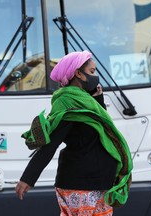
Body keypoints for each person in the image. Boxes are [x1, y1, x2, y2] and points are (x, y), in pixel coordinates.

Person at [15, 50, 133, 216]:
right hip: (80, 185)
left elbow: (101, 133)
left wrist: (98, 99)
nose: (96, 76)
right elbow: (50, 144)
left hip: (99, 184)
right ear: (78, 73)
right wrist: (28, 178)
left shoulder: (87, 101)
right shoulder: (68, 103)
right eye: (92, 72)